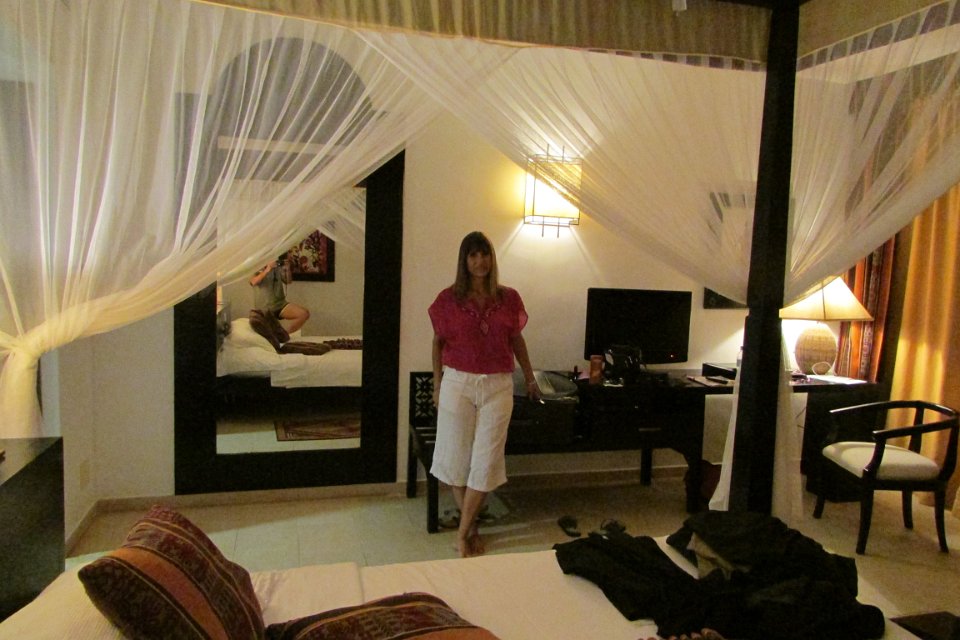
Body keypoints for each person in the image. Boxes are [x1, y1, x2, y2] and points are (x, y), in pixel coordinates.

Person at [428, 231, 540, 558]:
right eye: (473, 255)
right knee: (456, 458)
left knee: (486, 460)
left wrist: (530, 377)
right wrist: (437, 385)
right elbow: (437, 343)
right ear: (464, 261)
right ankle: (471, 529)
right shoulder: (447, 299)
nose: (480, 261)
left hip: (498, 385)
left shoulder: (509, 298)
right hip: (457, 384)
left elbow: (516, 340)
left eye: (485, 254)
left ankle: (462, 533)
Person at [249, 254, 310, 333]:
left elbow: (288, 281)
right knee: (268, 333)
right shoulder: (257, 266)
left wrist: (287, 269)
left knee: (304, 314)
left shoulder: (277, 267)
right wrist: (267, 269)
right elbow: (253, 282)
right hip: (265, 308)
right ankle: (279, 335)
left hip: (280, 304)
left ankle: (285, 334)